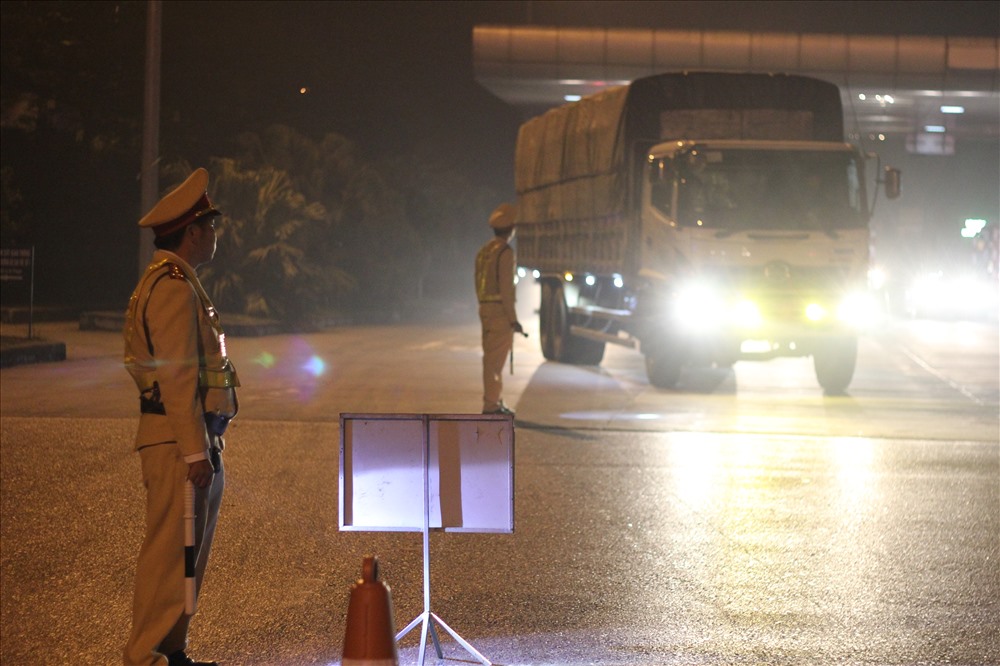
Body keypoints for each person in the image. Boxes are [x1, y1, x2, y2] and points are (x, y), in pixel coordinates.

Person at [122, 168, 239, 666]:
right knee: (169, 558)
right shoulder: (172, 287)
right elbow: (175, 378)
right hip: (176, 445)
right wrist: (195, 450)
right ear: (192, 232)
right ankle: (144, 656)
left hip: (190, 442)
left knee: (187, 558)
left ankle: (171, 652)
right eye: (209, 227)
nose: (214, 236)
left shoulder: (181, 282)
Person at [475, 202, 523, 415]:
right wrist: (513, 320)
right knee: (495, 362)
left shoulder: (484, 251)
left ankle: (495, 400)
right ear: (511, 229)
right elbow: (506, 289)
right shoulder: (505, 253)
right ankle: (491, 405)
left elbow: (477, 281)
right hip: (499, 313)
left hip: (485, 309)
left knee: (490, 358)